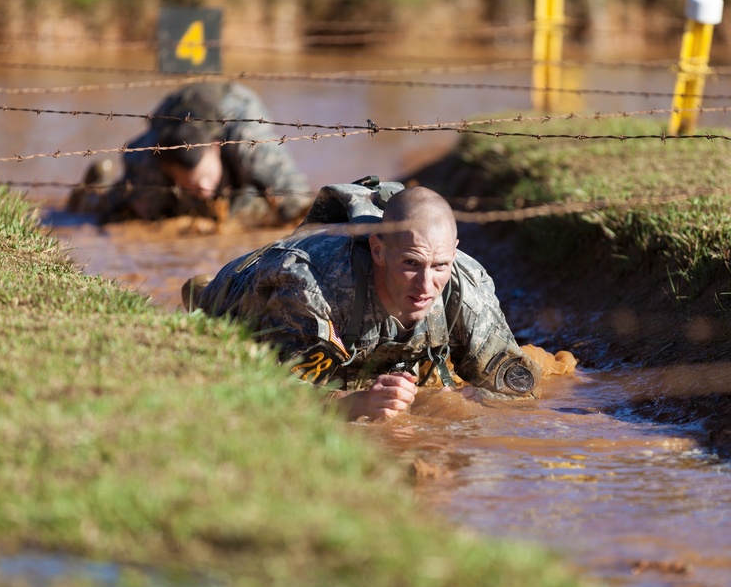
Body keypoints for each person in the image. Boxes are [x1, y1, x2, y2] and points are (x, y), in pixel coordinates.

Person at [183, 177, 542, 421]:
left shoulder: (465, 285)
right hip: (250, 294)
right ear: (379, 251)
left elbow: (514, 389)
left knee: (436, 381)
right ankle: (203, 292)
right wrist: (353, 405)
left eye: (439, 266)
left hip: (365, 338)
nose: (426, 284)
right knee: (215, 329)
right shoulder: (309, 286)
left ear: (455, 253)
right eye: (410, 264)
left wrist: (450, 406)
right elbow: (265, 397)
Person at [67, 81, 315, 227]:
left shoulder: (249, 142)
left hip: (231, 109)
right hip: (168, 120)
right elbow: (112, 217)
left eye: (206, 176)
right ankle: (93, 186)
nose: (205, 188)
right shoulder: (150, 159)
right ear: (169, 170)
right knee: (128, 213)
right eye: (193, 183)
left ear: (215, 148)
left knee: (276, 204)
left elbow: (300, 204)